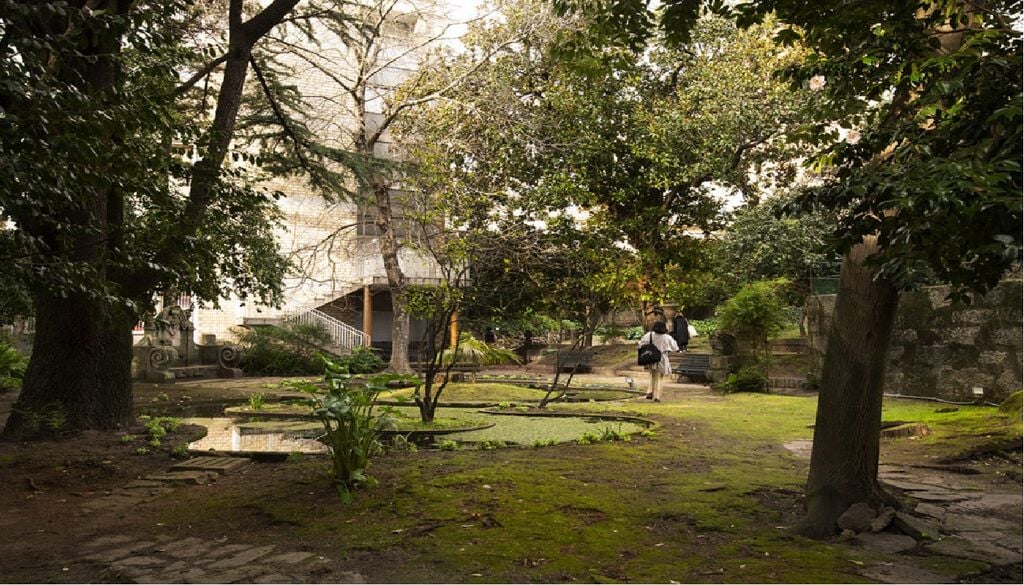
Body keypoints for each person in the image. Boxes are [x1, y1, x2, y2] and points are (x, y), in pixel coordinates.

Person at [638, 321, 678, 402]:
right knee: (660, 377)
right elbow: (675, 347)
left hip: (650, 357)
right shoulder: (667, 337)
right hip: (662, 358)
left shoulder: (649, 335)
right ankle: (657, 396)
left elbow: (641, 344)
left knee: (652, 375)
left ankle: (649, 392)